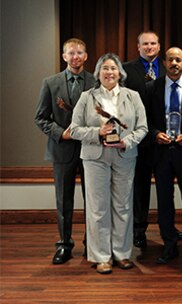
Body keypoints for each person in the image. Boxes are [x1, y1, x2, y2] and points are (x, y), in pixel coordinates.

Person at [69, 53, 148, 274]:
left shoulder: (132, 96)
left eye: (113, 68)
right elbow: (74, 129)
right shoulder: (87, 97)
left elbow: (142, 128)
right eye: (105, 68)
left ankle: (122, 254)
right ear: (98, 73)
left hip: (124, 155)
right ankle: (101, 256)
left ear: (120, 73)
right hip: (95, 158)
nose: (109, 72)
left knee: (123, 206)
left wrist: (126, 142)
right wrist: (98, 132)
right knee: (98, 209)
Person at [35, 38, 95, 264]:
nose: (75, 57)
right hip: (62, 149)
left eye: (80, 52)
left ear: (86, 56)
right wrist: (62, 133)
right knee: (64, 200)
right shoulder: (50, 83)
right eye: (71, 53)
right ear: (64, 57)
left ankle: (92, 244)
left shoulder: (96, 82)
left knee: (92, 200)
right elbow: (40, 118)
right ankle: (64, 244)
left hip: (91, 150)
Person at [145, 47, 182, 264]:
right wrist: (154, 134)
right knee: (164, 201)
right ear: (164, 63)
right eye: (170, 60)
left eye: (178, 59)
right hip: (161, 153)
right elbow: (145, 119)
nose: (174, 63)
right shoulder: (152, 87)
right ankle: (169, 244)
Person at [122, 31, 179, 248]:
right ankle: (139, 229)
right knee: (140, 187)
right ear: (138, 47)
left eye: (153, 43)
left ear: (159, 45)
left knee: (167, 188)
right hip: (139, 139)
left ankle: (169, 227)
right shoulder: (126, 70)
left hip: (166, 139)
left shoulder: (170, 67)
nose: (149, 47)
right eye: (144, 44)